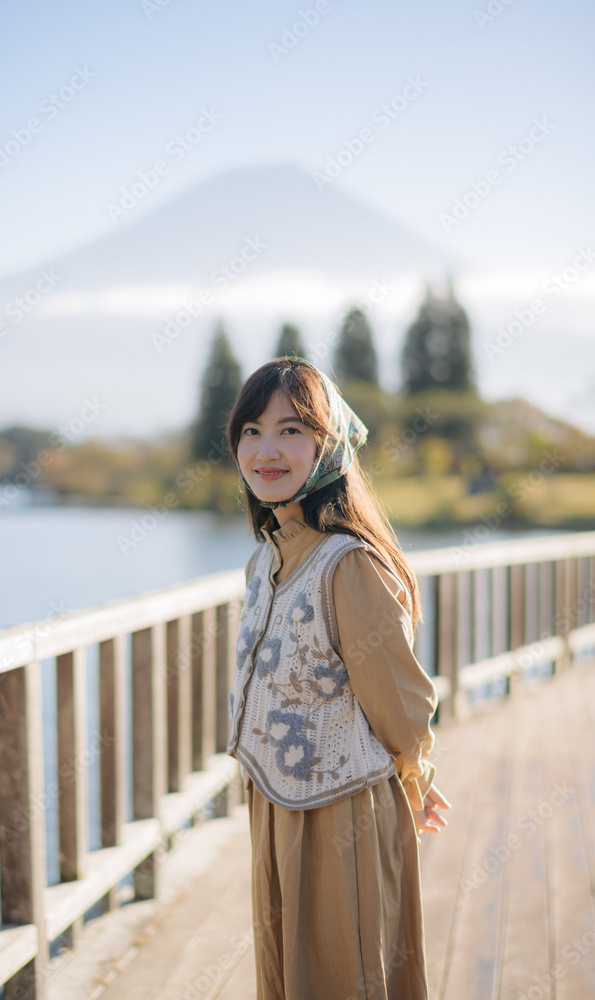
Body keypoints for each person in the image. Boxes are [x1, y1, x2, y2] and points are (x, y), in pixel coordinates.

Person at [225, 356, 451, 1000]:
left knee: (341, 978)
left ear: (330, 447)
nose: (266, 449)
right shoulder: (265, 560)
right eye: (251, 430)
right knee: (288, 975)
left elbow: (400, 703)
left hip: (341, 811)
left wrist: (418, 778)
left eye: (292, 430)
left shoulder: (346, 564)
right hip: (273, 804)